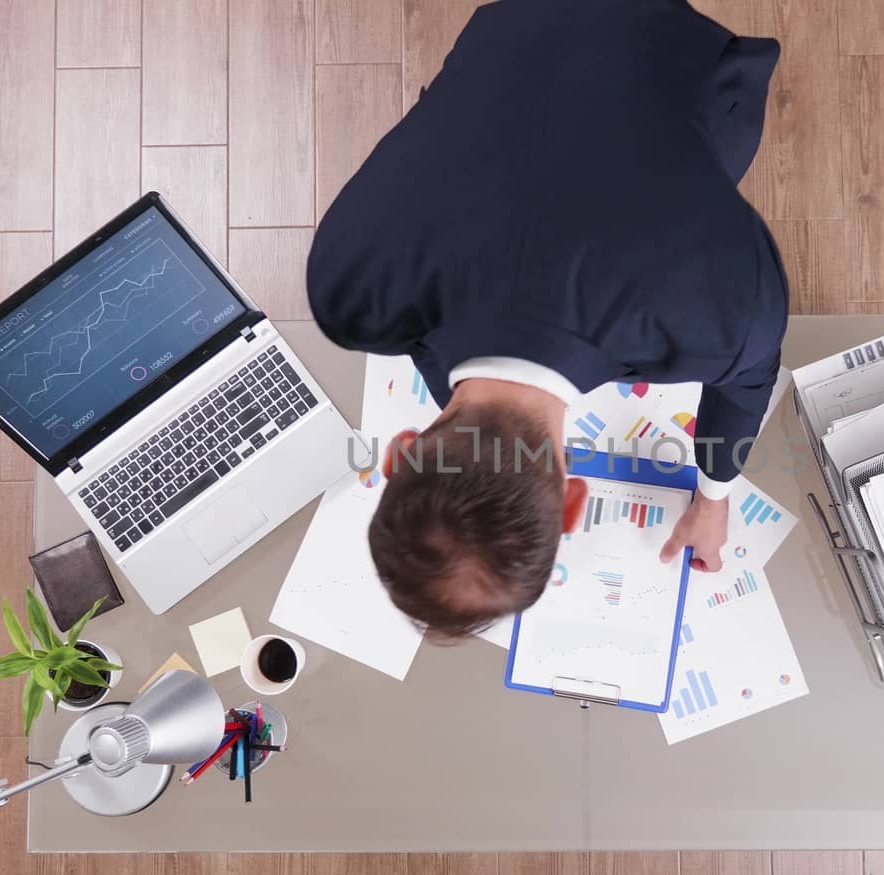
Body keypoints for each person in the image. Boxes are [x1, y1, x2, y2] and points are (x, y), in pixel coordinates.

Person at [306, 0, 788, 638]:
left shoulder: (722, 315)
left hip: (663, 48)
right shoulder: (347, 288)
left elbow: (750, 375)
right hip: (516, 30)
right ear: (398, 454)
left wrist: (715, 493)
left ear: (571, 499)